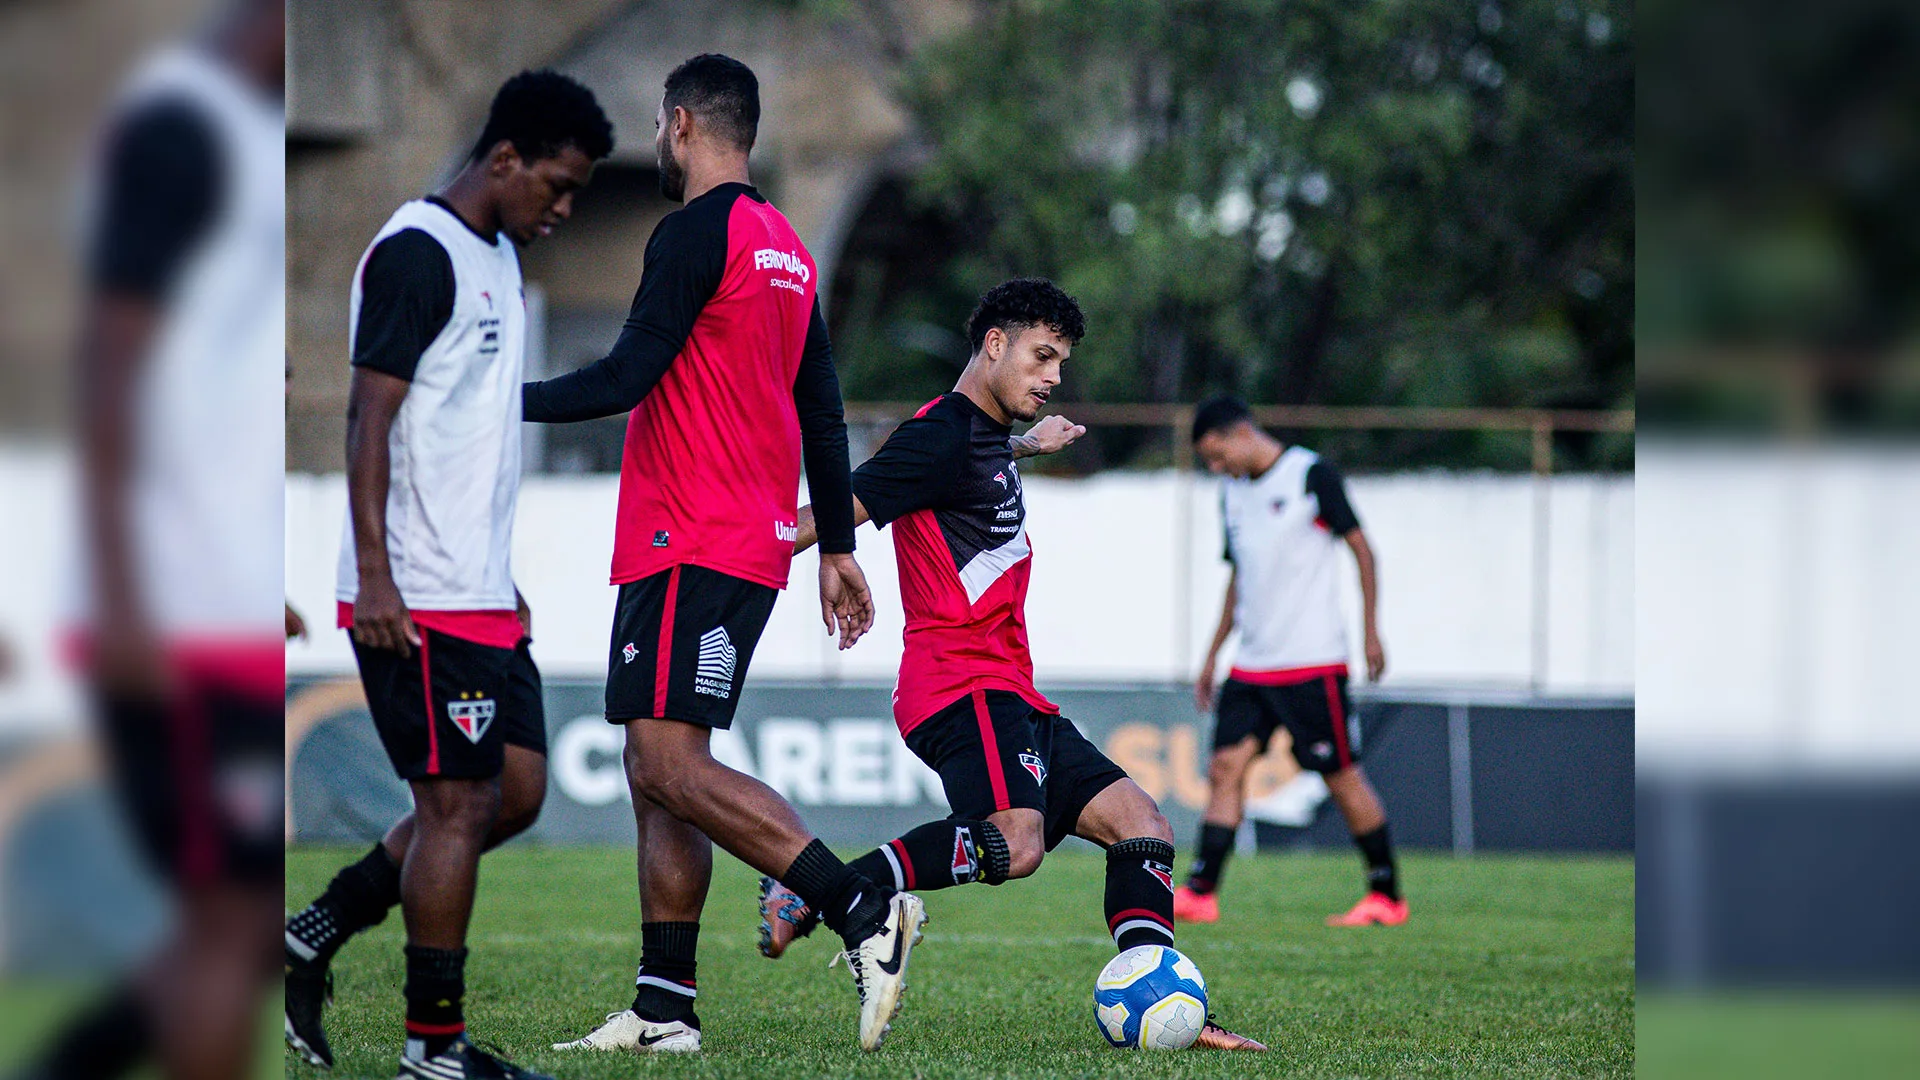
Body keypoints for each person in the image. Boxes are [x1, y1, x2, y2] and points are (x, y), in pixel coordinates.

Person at [522, 54, 919, 1055]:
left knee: (665, 759)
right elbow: (820, 410)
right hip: (739, 543)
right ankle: (666, 1011)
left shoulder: (693, 232)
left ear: (682, 122)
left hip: (687, 536)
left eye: (660, 131)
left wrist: (493, 396)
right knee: (653, 768)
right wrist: (834, 543)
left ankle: (861, 904)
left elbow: (625, 373)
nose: (659, 144)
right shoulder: (785, 245)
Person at [757, 279, 1267, 1052]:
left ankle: (1166, 1002)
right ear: (993, 344)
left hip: (1011, 687)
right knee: (1016, 842)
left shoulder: (984, 436)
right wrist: (729, 550)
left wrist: (1033, 443)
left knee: (1143, 826)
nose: (1053, 374)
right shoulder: (939, 436)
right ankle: (828, 888)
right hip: (960, 683)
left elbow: (980, 460)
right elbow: (837, 510)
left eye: (1059, 360)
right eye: (1042, 355)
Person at [282, 70, 614, 1080]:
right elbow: (368, 417)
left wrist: (498, 573)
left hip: (479, 592)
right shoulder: (417, 254)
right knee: (456, 808)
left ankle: (307, 935)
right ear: (503, 159)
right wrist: (376, 576)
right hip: (415, 597)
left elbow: (465, 433)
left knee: (510, 793)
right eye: (555, 187)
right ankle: (435, 1052)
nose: (562, 210)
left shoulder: (500, 258)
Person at [19, 5, 287, 1080]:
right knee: (234, 916)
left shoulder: (242, 137)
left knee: (248, 923)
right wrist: (127, 594)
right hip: (171, 615)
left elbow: (211, 389)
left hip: (221, 601)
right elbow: (108, 359)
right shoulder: (182, 127)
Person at [1172, 396, 1405, 927]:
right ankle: (1200, 893)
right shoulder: (1231, 495)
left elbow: (1363, 550)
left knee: (1340, 775)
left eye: (1216, 454)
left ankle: (1386, 895)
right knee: (1225, 768)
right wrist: (1212, 656)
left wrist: (1371, 630)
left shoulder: (1310, 475)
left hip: (1312, 662)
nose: (1215, 467)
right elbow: (1239, 579)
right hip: (1251, 666)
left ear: (1240, 434)